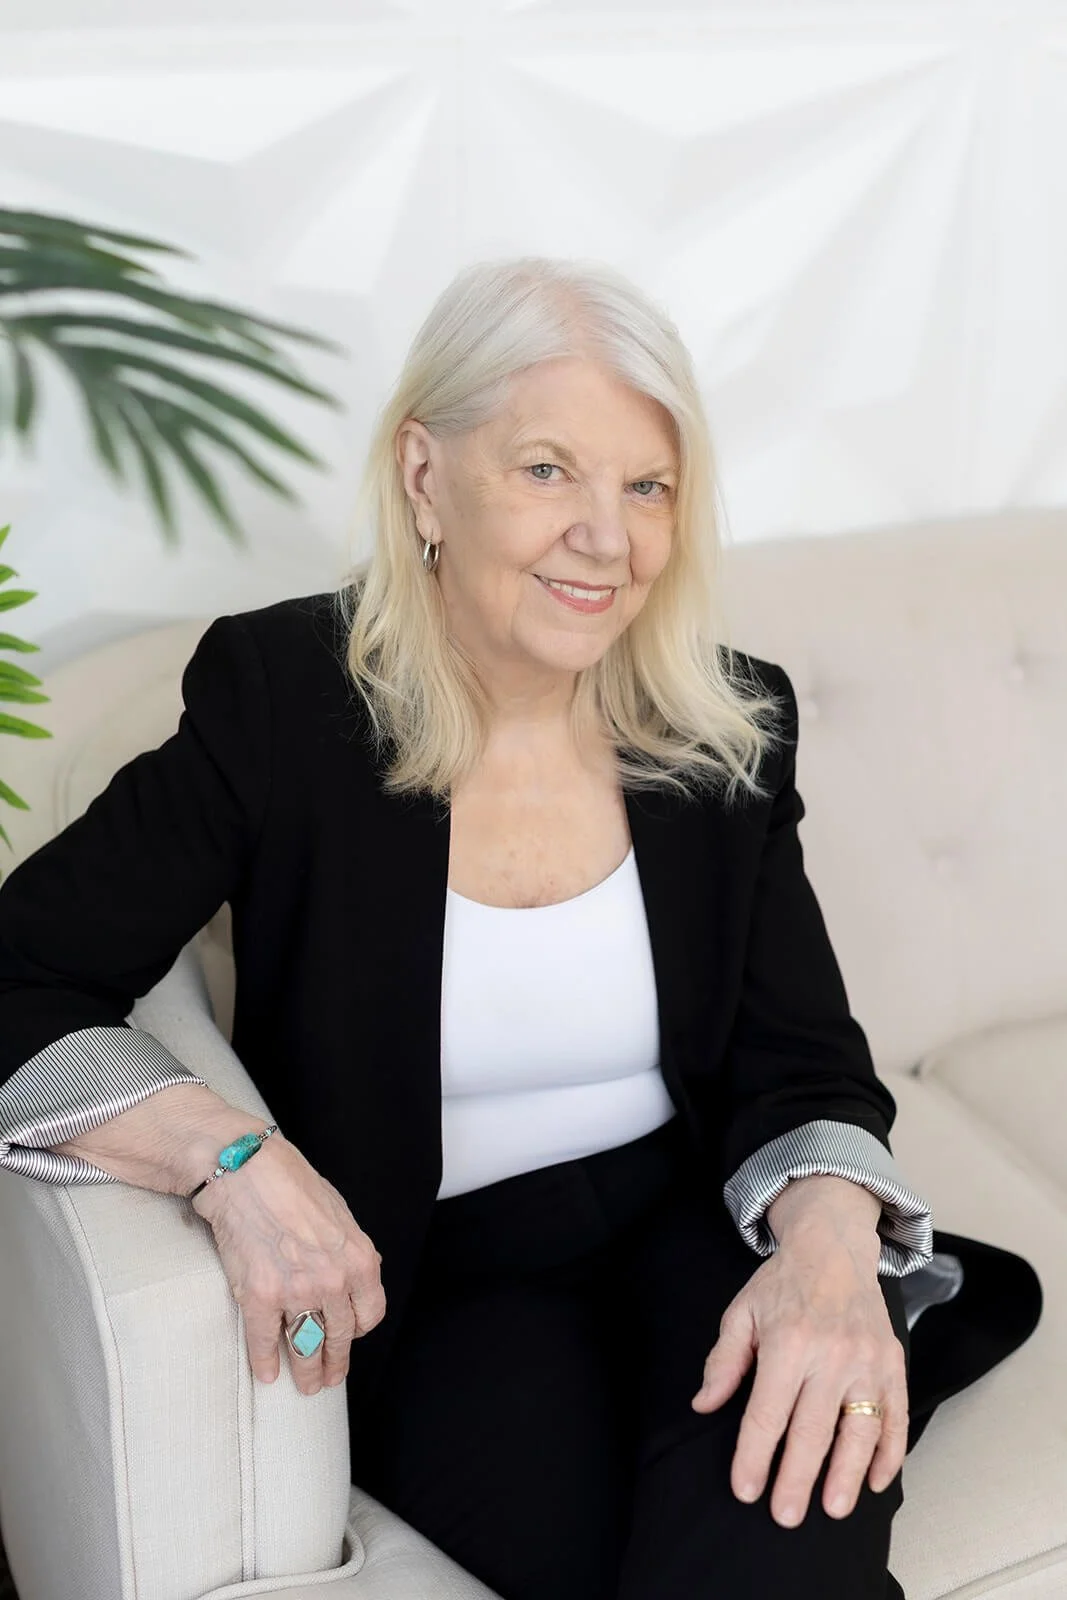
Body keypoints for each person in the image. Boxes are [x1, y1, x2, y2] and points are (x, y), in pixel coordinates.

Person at [0, 256, 1041, 1600]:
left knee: (786, 1496)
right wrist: (229, 1155)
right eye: (548, 470)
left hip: (692, 1218)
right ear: (425, 478)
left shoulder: (724, 725)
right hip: (443, 1281)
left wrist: (835, 1253)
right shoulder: (283, 703)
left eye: (646, 486)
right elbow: (21, 974)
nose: (606, 536)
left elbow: (803, 1057)